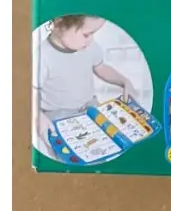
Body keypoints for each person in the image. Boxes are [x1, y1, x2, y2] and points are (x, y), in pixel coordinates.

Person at [33, 16, 136, 152]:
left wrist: (124, 81)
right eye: (86, 34)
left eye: (93, 34)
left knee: (106, 145)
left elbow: (100, 68)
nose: (91, 39)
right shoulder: (43, 56)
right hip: (58, 115)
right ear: (59, 24)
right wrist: (38, 115)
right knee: (68, 153)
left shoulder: (89, 46)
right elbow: (31, 89)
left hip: (90, 106)